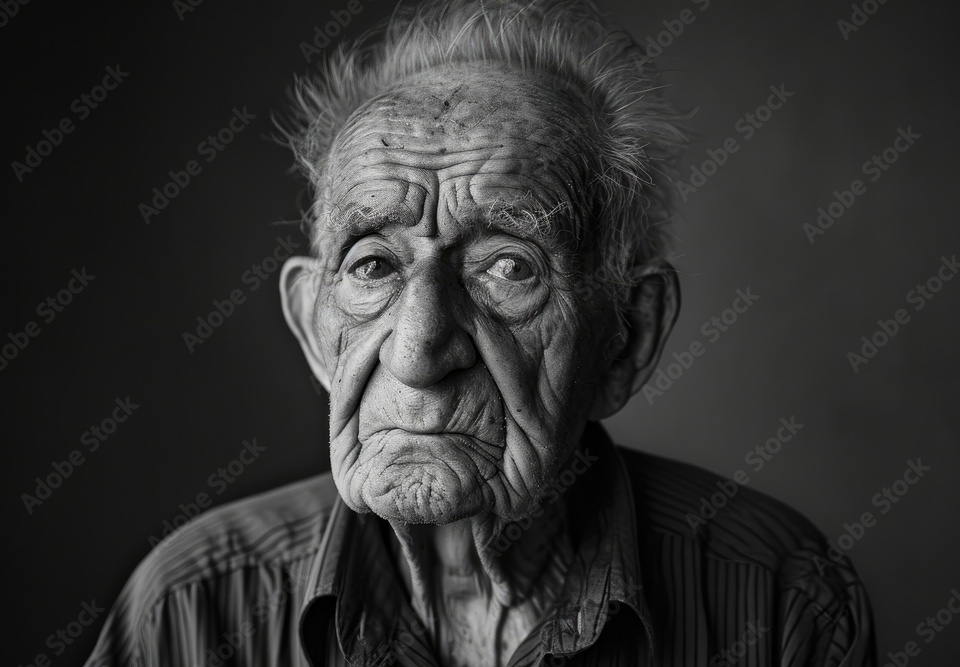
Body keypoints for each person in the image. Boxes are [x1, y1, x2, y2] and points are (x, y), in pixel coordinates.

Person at [85, 1, 875, 664]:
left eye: (508, 267)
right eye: (372, 267)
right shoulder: (190, 607)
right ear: (312, 325)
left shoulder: (778, 598)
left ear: (626, 337)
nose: (419, 350)